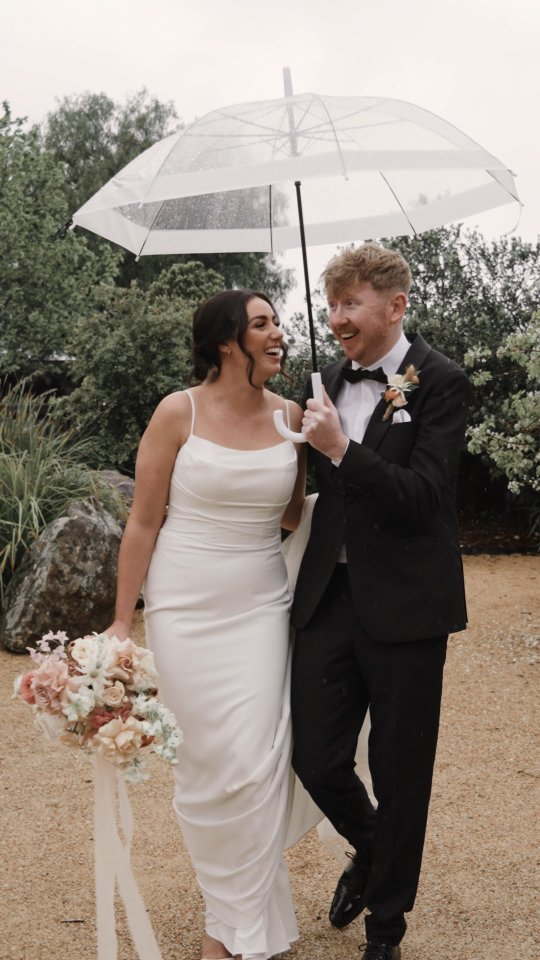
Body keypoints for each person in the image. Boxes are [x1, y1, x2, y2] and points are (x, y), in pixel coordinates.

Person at [106, 289, 307, 960]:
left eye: (277, 322)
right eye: (262, 324)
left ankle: (232, 930)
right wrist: (119, 625)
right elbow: (143, 520)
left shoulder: (292, 415)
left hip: (259, 606)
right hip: (184, 606)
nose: (278, 333)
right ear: (227, 342)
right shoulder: (177, 412)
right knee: (205, 768)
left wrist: (332, 457)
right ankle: (243, 919)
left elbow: (289, 517)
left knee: (255, 764)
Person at [290, 243, 471, 960]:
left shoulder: (442, 382)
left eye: (352, 304)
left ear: (395, 306)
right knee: (316, 756)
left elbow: (424, 496)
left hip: (407, 609)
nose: (337, 318)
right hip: (328, 599)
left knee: (402, 774)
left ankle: (386, 930)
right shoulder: (325, 380)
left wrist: (341, 449)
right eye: (332, 305)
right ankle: (372, 851)